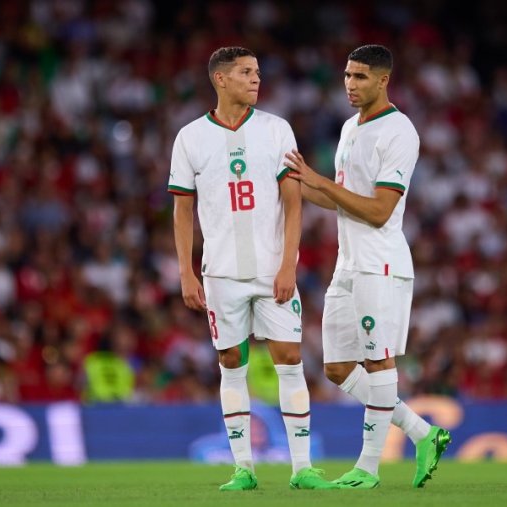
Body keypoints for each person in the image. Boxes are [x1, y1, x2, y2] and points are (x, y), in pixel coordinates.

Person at [169, 47, 337, 491]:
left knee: (290, 359)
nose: (256, 79)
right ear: (220, 79)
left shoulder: (276, 129)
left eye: (257, 72)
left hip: (271, 271)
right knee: (231, 363)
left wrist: (288, 265)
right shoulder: (190, 137)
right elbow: (182, 210)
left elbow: (293, 202)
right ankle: (243, 468)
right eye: (246, 72)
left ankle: (302, 469)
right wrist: (186, 271)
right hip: (220, 273)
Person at [284, 44, 451, 489]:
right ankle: (424, 433)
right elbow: (340, 200)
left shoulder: (399, 131)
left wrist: (320, 182)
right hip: (348, 264)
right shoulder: (348, 128)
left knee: (379, 362)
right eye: (347, 75)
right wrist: (293, 183)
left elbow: (378, 211)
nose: (350, 84)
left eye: (360, 77)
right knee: (338, 367)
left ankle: (368, 468)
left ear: (383, 80)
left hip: (381, 264)